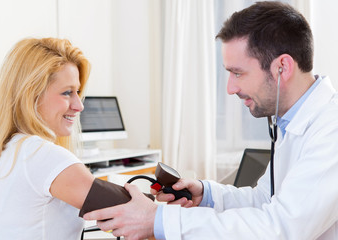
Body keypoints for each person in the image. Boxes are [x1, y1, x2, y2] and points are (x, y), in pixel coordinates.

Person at [83, 1, 338, 239]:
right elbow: (265, 198)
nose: (230, 88)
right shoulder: (290, 123)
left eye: (238, 73)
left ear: (282, 67)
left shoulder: (330, 128)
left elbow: (280, 227)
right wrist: (207, 194)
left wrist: (159, 220)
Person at [0, 38, 97, 239]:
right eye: (67, 92)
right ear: (31, 95)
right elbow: (134, 214)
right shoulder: (43, 155)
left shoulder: (1, 150)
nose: (79, 105)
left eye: (77, 92)